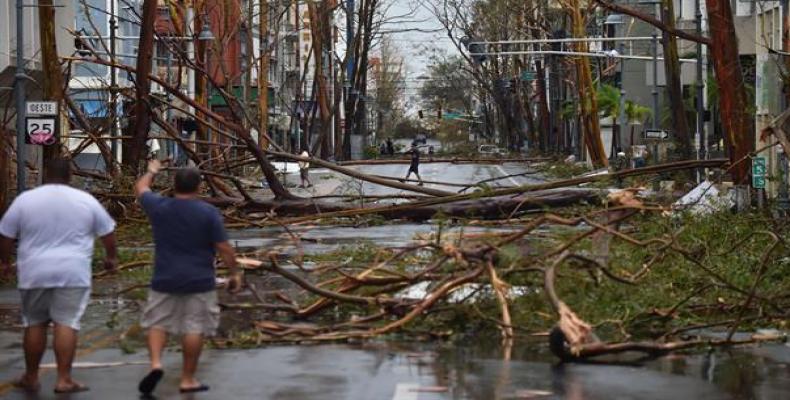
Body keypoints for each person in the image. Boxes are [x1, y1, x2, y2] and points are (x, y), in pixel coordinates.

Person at [0, 158, 117, 394]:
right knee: (66, 322)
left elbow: (5, 234)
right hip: (72, 272)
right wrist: (111, 257)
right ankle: (64, 379)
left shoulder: (26, 200)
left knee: (34, 323)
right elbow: (108, 232)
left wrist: (4, 262)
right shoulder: (85, 200)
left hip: (34, 271)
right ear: (70, 176)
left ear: (45, 173)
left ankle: (31, 376)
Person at [134, 160, 242, 395]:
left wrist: (151, 171)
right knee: (194, 327)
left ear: (173, 186)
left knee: (157, 322)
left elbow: (140, 188)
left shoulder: (159, 206)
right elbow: (224, 248)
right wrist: (234, 273)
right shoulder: (208, 213)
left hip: (164, 278)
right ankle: (187, 379)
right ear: (199, 187)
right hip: (199, 280)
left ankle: (155, 364)